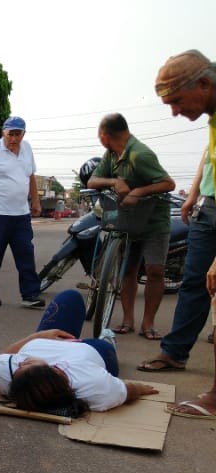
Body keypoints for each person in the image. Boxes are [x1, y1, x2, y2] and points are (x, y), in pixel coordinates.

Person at [135, 51, 216, 420]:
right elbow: (210, 153)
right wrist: (197, 190)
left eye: (177, 102)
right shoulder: (212, 112)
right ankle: (175, 351)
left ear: (203, 84)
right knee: (194, 283)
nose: (174, 112)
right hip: (209, 208)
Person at [0, 289, 159, 415]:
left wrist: (39, 336)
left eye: (18, 367)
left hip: (53, 340)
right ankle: (108, 339)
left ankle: (60, 335)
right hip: (95, 352)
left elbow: (1, 357)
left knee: (71, 297)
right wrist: (142, 389)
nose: (20, 361)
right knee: (105, 345)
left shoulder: (8, 378)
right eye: (26, 364)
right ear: (53, 369)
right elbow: (128, 390)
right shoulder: (95, 385)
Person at [86, 113, 176, 340]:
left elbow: (168, 183)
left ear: (105, 136)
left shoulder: (140, 155)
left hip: (154, 221)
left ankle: (148, 324)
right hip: (128, 219)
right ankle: (128, 321)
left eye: (99, 135)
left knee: (155, 271)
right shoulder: (111, 154)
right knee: (128, 271)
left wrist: (139, 191)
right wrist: (115, 181)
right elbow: (92, 181)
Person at [0, 116, 44, 309]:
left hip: (21, 214)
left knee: (26, 253)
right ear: (3, 132)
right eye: (10, 134)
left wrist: (35, 201)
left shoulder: (27, 149)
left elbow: (30, 177)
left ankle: (30, 294)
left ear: (23, 134)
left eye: (17, 134)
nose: (13, 138)